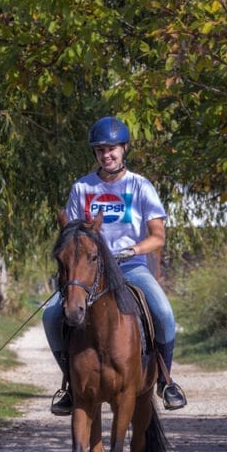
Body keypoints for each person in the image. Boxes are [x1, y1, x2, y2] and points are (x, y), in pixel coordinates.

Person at [43, 116, 188, 415]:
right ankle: (70, 384)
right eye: (100, 150)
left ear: (124, 149)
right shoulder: (82, 188)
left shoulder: (140, 186)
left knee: (163, 312)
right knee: (51, 315)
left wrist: (132, 249)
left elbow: (158, 236)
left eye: (112, 149)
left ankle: (165, 381)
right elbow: (71, 234)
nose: (106, 155)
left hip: (130, 267)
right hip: (89, 272)